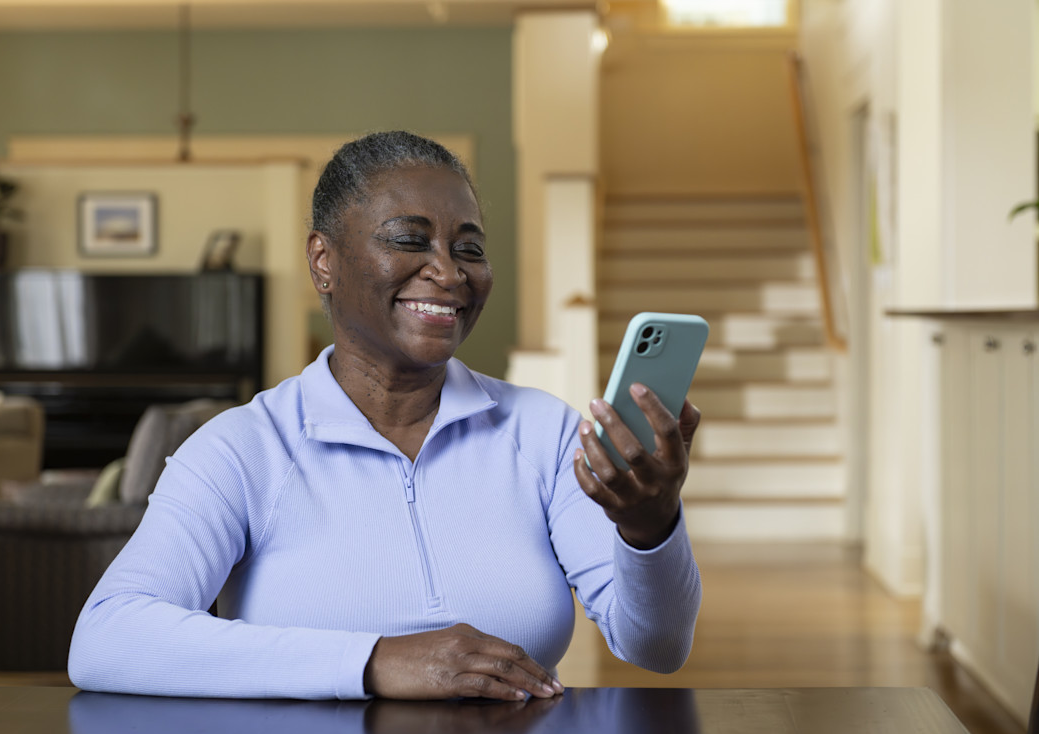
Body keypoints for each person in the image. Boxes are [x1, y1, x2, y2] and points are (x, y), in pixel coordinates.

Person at [68, 131, 702, 701]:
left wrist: (649, 529)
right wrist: (371, 661)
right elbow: (106, 638)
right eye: (408, 239)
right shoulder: (243, 448)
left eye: (470, 248)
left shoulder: (543, 432)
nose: (450, 272)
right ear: (324, 260)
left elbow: (656, 648)